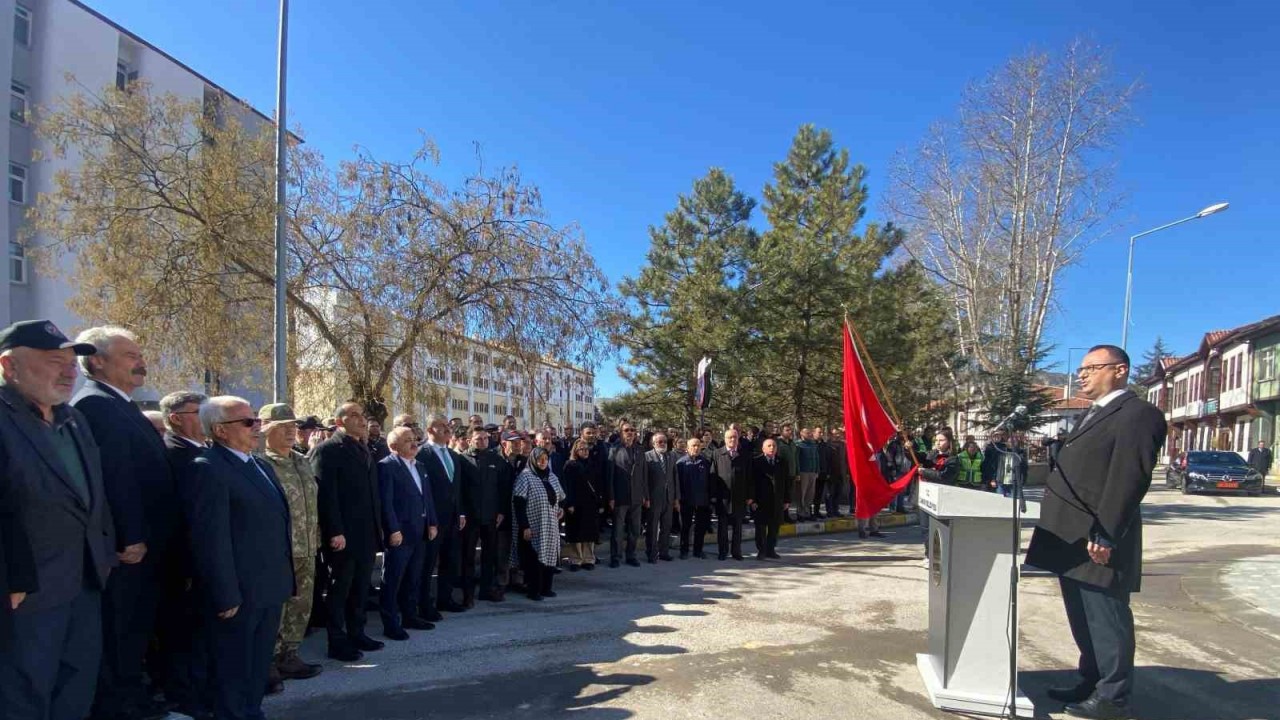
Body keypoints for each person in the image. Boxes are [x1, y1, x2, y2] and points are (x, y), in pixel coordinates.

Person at [1026, 346, 1166, 720]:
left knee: (1107, 619)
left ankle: (1114, 698)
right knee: (1083, 617)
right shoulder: (1095, 413)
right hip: (1068, 538)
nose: (1081, 376)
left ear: (1120, 370)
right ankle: (1091, 680)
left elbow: (1129, 477)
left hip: (1097, 537)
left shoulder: (1138, 415)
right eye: (1081, 369)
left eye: (1091, 368)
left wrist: (1106, 533)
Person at [0, 321, 115, 720]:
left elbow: (93, 497)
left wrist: (103, 555)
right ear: (9, 367)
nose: (69, 372)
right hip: (24, 591)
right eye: (54, 362)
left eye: (71, 363)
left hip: (83, 581)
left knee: (75, 690)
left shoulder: (73, 420)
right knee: (22, 697)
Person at [71, 326, 176, 720]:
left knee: (136, 631)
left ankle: (135, 696)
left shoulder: (120, 404)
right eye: (130, 355)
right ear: (97, 360)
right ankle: (119, 707)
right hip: (129, 551)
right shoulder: (95, 405)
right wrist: (130, 535)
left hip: (148, 545)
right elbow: (115, 477)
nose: (141, 362)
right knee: (120, 631)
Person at [187, 397, 295, 720]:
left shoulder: (258, 464)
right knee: (233, 671)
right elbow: (211, 539)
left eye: (256, 421)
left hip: (268, 587)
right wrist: (225, 593)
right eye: (248, 423)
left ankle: (251, 712)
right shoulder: (209, 468)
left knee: (257, 666)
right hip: (239, 594)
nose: (257, 428)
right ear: (220, 430)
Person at [154, 391, 213, 717]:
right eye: (198, 412)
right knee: (184, 636)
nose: (205, 418)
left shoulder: (201, 451)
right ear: (176, 418)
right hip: (184, 564)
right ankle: (187, 696)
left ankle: (200, 689)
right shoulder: (174, 455)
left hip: (201, 561)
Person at [256, 404, 324, 683]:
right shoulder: (261, 463)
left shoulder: (301, 460)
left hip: (307, 547)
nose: (289, 432)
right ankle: (267, 660)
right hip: (279, 550)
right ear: (265, 429)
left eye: (292, 427)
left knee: (301, 604)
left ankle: (289, 654)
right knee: (277, 607)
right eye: (281, 427)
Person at [313, 402, 385, 662]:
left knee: (361, 588)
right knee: (340, 590)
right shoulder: (328, 450)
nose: (361, 420)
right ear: (339, 421)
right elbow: (326, 496)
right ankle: (337, 641)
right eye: (353, 415)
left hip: (366, 533)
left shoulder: (363, 447)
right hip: (343, 536)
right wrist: (335, 531)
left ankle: (358, 633)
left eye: (362, 416)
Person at [376, 427, 438, 640]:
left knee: (413, 578)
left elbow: (427, 497)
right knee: (392, 581)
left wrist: (432, 523)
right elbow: (386, 502)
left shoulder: (419, 466)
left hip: (420, 532)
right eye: (407, 441)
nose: (414, 444)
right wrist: (392, 529)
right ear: (393, 446)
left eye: (414, 440)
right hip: (400, 534)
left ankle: (410, 616)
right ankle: (391, 623)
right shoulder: (386, 467)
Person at [416, 415, 468, 617]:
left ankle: (445, 599)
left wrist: (461, 511)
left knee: (450, 560)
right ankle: (424, 604)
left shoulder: (454, 456)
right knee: (428, 564)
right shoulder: (422, 454)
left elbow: (457, 488)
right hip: (432, 519)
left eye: (448, 426)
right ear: (430, 430)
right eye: (442, 426)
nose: (448, 429)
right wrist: (428, 519)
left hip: (453, 519)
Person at [460, 426, 512, 604]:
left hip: (491, 517)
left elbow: (504, 489)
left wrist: (501, 511)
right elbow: (458, 490)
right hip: (470, 518)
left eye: (485, 438)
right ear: (469, 441)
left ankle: (486, 590)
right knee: (467, 557)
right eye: (478, 439)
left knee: (489, 556)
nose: (482, 441)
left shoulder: (496, 460)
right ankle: (467, 595)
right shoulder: (462, 460)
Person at [511, 448, 565, 601]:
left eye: (545, 459)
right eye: (539, 459)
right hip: (533, 525)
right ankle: (534, 591)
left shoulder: (552, 476)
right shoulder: (525, 477)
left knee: (549, 557)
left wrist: (561, 509)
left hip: (550, 525)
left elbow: (560, 497)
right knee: (534, 560)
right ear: (533, 460)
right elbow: (519, 503)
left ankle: (546, 588)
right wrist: (525, 526)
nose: (542, 462)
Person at [605, 421, 647, 568]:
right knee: (617, 529)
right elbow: (610, 475)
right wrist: (610, 496)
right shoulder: (614, 449)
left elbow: (644, 474)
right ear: (621, 433)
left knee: (635, 529)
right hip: (620, 496)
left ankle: (631, 555)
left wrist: (645, 495)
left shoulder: (640, 450)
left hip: (636, 496)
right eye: (626, 430)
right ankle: (615, 557)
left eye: (632, 430)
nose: (630, 432)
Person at [711, 428, 752, 561]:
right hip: (723, 498)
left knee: (738, 528)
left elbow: (750, 477)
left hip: (739, 498)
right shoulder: (717, 454)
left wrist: (749, 495)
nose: (732, 440)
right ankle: (722, 552)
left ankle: (736, 552)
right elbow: (713, 476)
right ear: (725, 439)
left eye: (735, 437)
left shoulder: (744, 454)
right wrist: (713, 496)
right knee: (722, 527)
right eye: (730, 437)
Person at [561, 439, 603, 570]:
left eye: (587, 449)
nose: (585, 452)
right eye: (582, 449)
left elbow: (599, 484)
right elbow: (567, 486)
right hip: (575, 503)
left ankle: (588, 558)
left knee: (589, 532)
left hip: (590, 503)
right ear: (576, 450)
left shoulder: (593, 464)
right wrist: (569, 504)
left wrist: (600, 503)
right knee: (576, 532)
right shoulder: (570, 465)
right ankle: (576, 559)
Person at [751, 438, 791, 560]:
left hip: (777, 500)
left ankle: (771, 549)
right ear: (763, 449)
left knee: (774, 527)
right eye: (769, 446)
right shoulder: (756, 462)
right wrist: (752, 500)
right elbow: (751, 482)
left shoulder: (782, 462)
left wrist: (786, 500)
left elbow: (787, 482)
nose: (772, 448)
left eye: (774, 446)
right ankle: (761, 550)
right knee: (761, 528)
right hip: (761, 500)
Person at [644, 432, 679, 563]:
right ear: (653, 444)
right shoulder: (647, 457)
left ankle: (664, 552)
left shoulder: (671, 456)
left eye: (664, 441)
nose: (663, 444)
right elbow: (644, 480)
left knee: (666, 527)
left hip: (669, 498)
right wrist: (646, 497)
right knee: (652, 528)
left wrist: (676, 498)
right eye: (659, 442)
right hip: (653, 498)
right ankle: (651, 554)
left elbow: (675, 478)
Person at [676, 438, 713, 559]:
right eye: (693, 445)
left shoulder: (705, 462)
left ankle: (698, 550)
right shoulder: (681, 463)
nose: (696, 448)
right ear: (687, 447)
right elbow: (677, 483)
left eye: (698, 445)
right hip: (686, 501)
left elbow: (710, 481)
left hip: (702, 501)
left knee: (700, 527)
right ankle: (684, 550)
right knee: (685, 527)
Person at [794, 428, 819, 521]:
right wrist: (798, 472)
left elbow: (817, 457)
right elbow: (796, 460)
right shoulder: (798, 444)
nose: (809, 434)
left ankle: (807, 512)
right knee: (801, 493)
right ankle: (800, 513)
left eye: (810, 433)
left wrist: (817, 470)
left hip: (812, 472)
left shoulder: (813, 444)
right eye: (807, 433)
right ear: (801, 433)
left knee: (810, 493)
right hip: (803, 472)